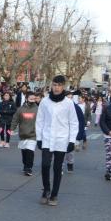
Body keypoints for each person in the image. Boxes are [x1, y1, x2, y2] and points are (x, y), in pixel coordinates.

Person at [35, 75, 79, 206]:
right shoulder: (45, 102)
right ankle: (46, 189)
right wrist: (39, 138)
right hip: (47, 137)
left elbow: (73, 123)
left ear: (63, 87)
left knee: (57, 167)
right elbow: (40, 120)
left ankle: (54, 194)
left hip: (62, 139)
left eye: (59, 85)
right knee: (45, 165)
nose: (57, 87)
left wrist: (72, 141)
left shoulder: (69, 103)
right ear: (51, 85)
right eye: (54, 85)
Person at [11, 92, 39, 176]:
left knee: (30, 152)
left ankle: (28, 168)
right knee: (24, 152)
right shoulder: (20, 109)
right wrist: (12, 129)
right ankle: (25, 164)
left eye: (34, 99)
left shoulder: (38, 109)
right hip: (23, 134)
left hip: (33, 135)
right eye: (31, 99)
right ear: (26, 99)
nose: (33, 100)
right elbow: (15, 119)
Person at [64, 91, 87, 173]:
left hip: (72, 132)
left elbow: (81, 121)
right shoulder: (60, 106)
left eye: (71, 97)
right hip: (61, 132)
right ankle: (58, 165)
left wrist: (80, 134)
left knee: (70, 151)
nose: (69, 99)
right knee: (59, 151)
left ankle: (70, 164)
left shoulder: (76, 108)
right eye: (68, 97)